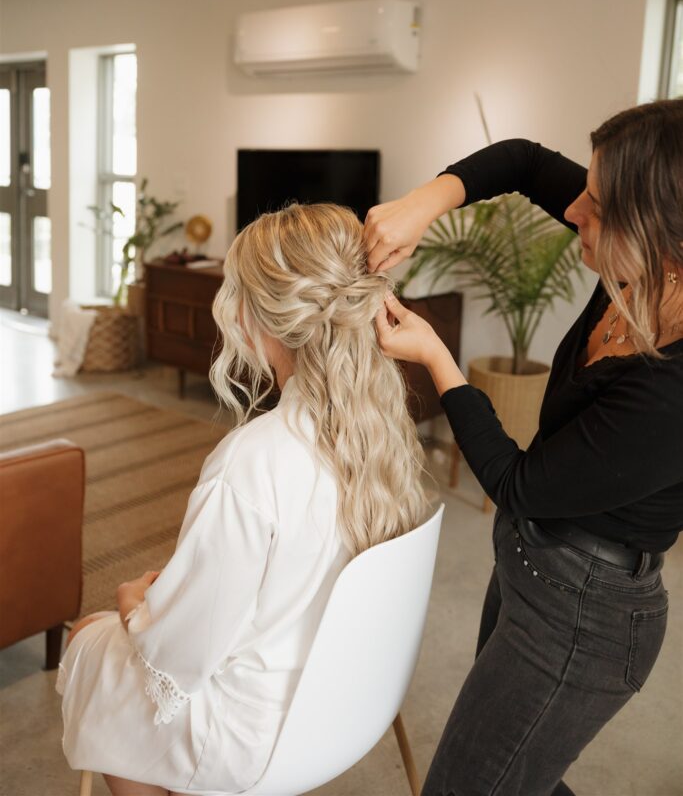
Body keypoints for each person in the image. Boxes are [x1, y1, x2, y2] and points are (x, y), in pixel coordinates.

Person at [366, 98, 683, 796]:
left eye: (596, 205)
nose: (573, 210)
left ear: (664, 239)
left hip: (585, 615)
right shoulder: (639, 274)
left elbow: (517, 482)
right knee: (519, 775)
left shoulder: (671, 393)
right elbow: (520, 162)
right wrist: (423, 205)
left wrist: (434, 356)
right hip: (531, 564)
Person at [58, 202, 427, 796]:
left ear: (258, 318)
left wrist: (133, 608)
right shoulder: (380, 431)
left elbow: (179, 656)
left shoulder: (252, 462)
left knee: (90, 640)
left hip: (254, 737)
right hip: (348, 701)